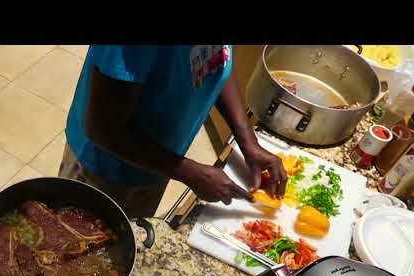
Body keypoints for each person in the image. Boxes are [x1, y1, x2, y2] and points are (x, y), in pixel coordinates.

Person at [59, 45, 287, 218]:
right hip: (102, 171)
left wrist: (248, 142)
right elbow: (103, 129)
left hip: (157, 162)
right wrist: (192, 173)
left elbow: (217, 59)